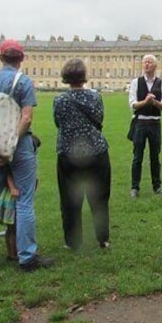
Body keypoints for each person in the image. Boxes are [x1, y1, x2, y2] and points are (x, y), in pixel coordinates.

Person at [0, 39, 52, 271]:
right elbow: (26, 118)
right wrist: (10, 146)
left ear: (0, 58)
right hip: (19, 147)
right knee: (24, 201)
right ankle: (27, 257)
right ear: (21, 59)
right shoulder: (23, 81)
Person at [53, 58, 111, 251]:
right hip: (96, 151)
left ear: (66, 76)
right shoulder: (95, 97)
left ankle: (72, 242)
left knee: (70, 200)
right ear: (84, 77)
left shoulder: (60, 100)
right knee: (99, 197)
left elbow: (58, 122)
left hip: (69, 153)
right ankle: (103, 239)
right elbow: (100, 119)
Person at [128, 54, 162, 198]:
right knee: (137, 157)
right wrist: (145, 102)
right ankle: (134, 187)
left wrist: (155, 103)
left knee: (155, 157)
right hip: (140, 122)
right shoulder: (135, 82)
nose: (146, 64)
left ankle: (157, 186)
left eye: (149, 62)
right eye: (145, 62)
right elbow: (133, 104)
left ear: (155, 65)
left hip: (155, 122)